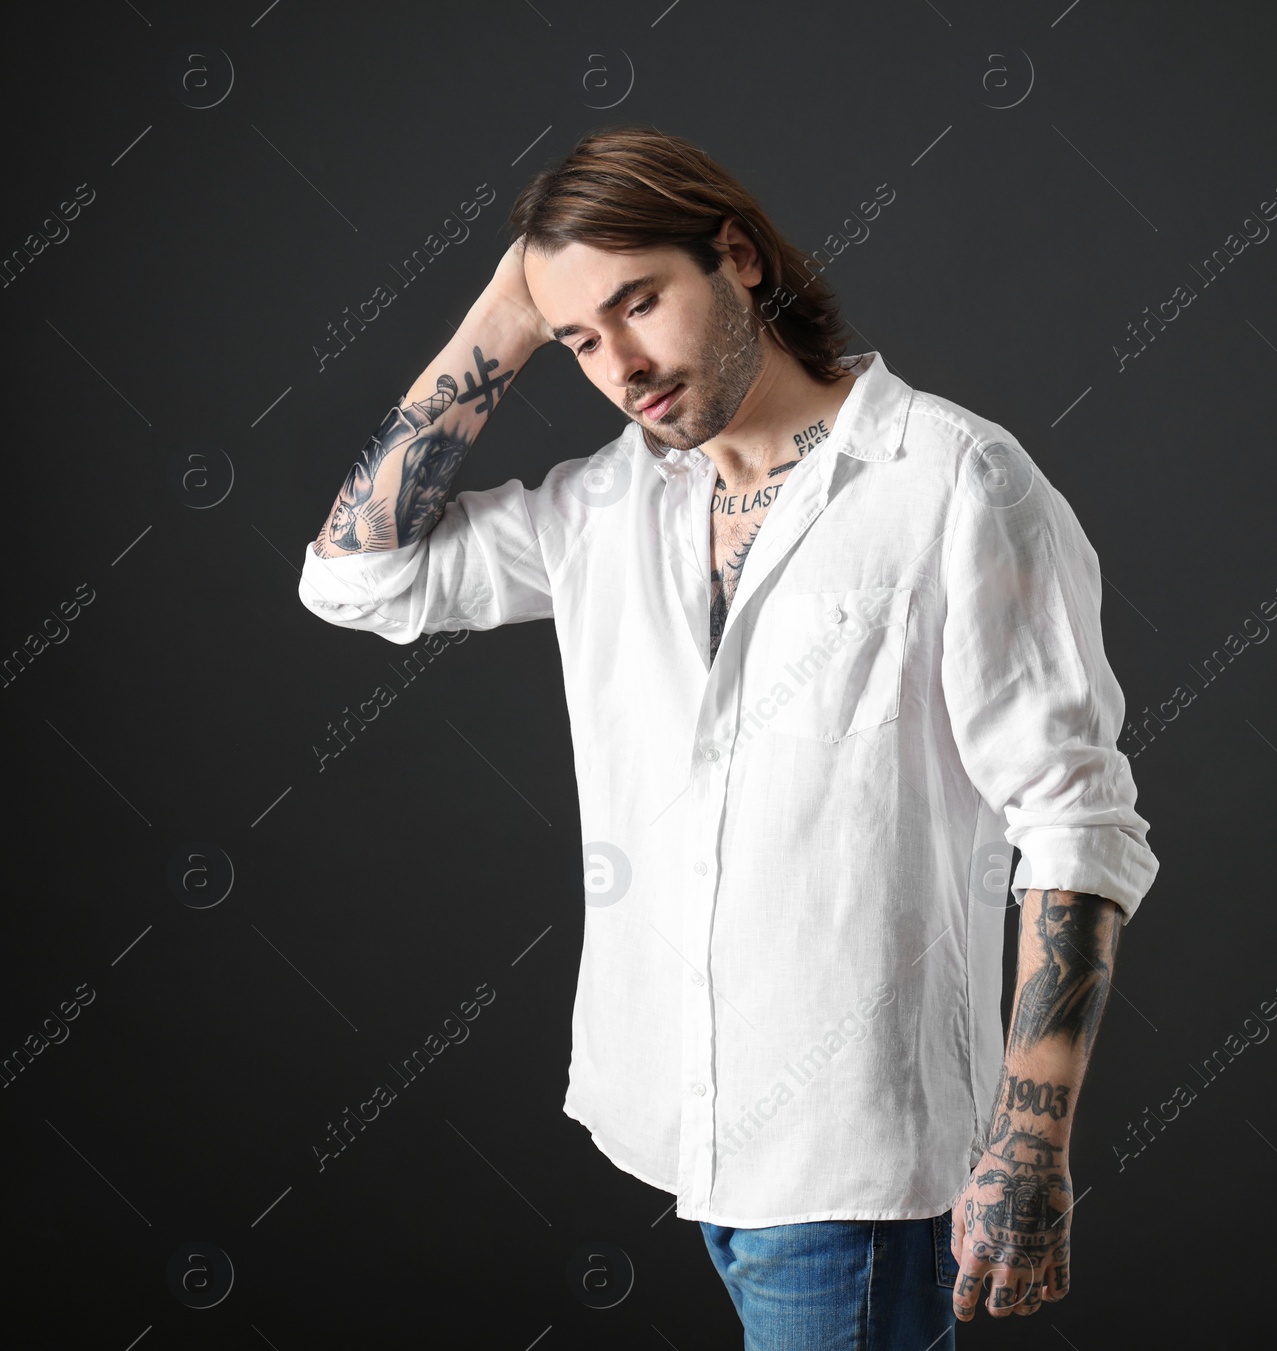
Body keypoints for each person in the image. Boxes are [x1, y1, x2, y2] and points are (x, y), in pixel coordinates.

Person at [298, 126, 1158, 1344]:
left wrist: (1030, 1144)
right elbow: (353, 580)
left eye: (638, 302)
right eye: (581, 339)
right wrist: (506, 312)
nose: (622, 365)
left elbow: (1074, 822)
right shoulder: (609, 503)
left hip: (849, 1163)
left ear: (739, 259)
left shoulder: (953, 481)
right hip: (671, 1121)